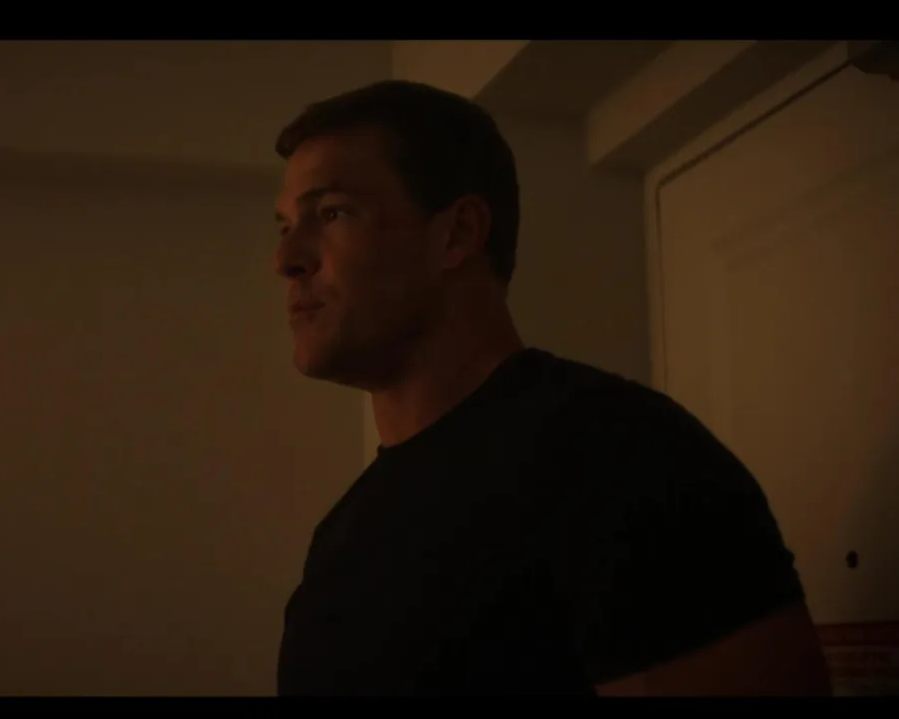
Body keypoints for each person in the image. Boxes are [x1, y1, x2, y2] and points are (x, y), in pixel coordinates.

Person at [271, 80, 832, 696]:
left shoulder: (622, 457)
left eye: (332, 213)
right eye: (285, 226)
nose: (287, 259)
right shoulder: (344, 532)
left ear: (457, 233)